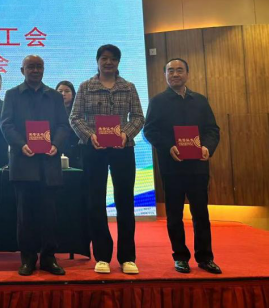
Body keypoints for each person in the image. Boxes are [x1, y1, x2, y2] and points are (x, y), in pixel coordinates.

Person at [70, 44, 145, 275]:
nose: (108, 62)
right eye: (104, 58)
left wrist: (126, 134)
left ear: (118, 62)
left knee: (125, 202)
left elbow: (138, 117)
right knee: (95, 202)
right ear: (97, 61)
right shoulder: (86, 87)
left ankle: (127, 257)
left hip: (123, 148)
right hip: (94, 149)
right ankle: (102, 256)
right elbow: (75, 117)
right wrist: (90, 135)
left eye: (113, 59)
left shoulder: (128, 87)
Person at [143, 58, 222, 274]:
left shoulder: (200, 100)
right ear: (165, 75)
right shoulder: (158, 101)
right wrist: (168, 147)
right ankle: (180, 257)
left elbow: (212, 130)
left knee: (201, 214)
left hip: (198, 167)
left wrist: (207, 147)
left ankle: (205, 257)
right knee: (174, 215)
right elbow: (150, 131)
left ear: (187, 73)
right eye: (170, 71)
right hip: (172, 167)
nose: (175, 74)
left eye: (179, 70)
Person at [1, 55, 71, 276]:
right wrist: (21, 145)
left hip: (49, 163)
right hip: (23, 163)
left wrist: (56, 144)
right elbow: (6, 125)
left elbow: (63, 125)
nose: (35, 70)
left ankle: (49, 258)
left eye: (39, 66)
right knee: (25, 217)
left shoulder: (54, 96)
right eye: (30, 67)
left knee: (50, 216)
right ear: (22, 70)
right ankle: (28, 259)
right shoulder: (12, 94)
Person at [56, 80, 81, 168]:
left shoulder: (78, 112)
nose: (63, 94)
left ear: (73, 94)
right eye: (60, 91)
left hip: (76, 149)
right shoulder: (50, 110)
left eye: (67, 91)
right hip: (57, 147)